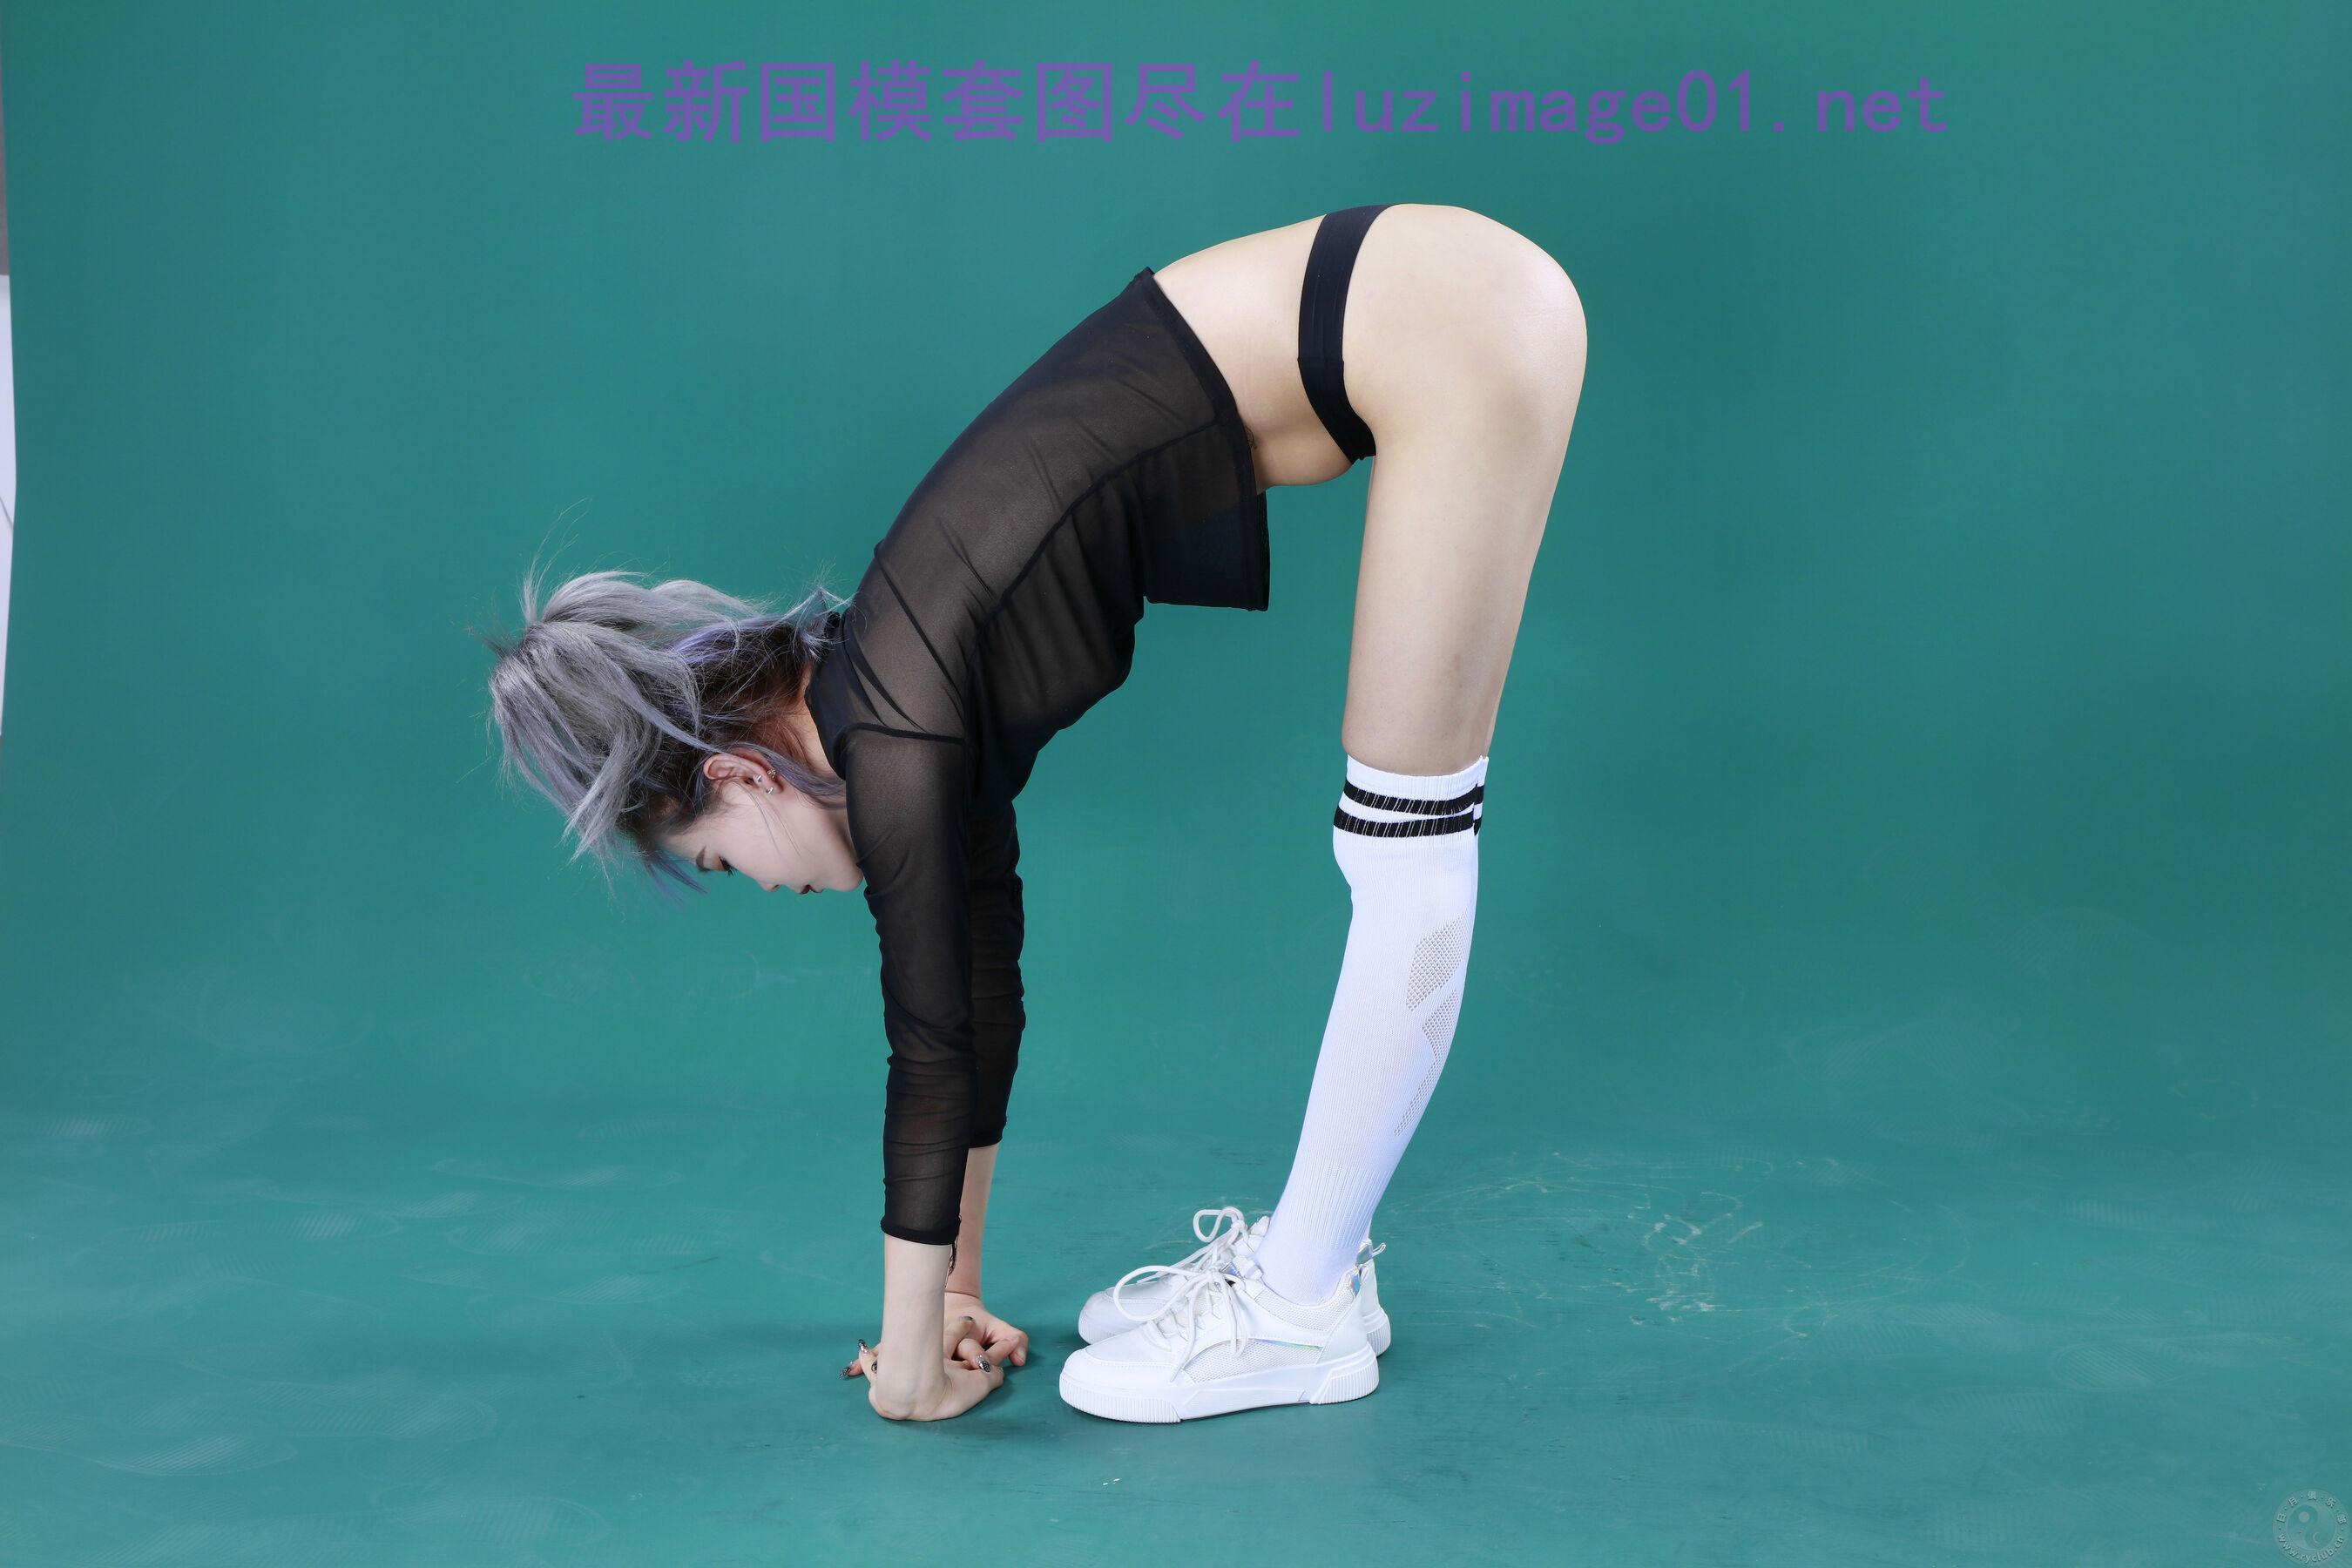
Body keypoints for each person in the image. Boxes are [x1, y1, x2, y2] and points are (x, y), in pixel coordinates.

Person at [478, 202, 1588, 1423]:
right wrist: (953, 1293)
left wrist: (910, 1375)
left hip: (1442, 321)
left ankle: (1302, 1302)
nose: (773, 888)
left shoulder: (894, 728)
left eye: (726, 863)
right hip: (1417, 303)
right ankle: (1308, 1270)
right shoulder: (902, 691)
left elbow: (928, 1050)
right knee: (1396, 837)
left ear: (741, 776)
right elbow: (977, 1000)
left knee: (1403, 843)